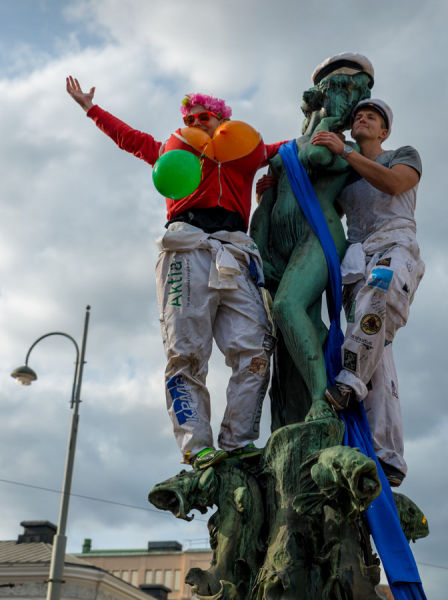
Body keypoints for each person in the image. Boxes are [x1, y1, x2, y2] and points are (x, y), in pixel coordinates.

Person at [66, 77, 286, 469]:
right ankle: (197, 446)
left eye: (208, 116)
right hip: (186, 248)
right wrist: (90, 108)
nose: (200, 120)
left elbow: (291, 150)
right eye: (193, 116)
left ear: (222, 121)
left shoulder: (247, 152)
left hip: (235, 251)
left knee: (256, 347)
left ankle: (238, 442)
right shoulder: (172, 151)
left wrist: (330, 139)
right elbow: (130, 138)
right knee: (185, 352)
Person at [311, 98, 425, 486]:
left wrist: (345, 150)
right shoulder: (345, 171)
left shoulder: (402, 155)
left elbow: (393, 184)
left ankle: (349, 382)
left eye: (371, 116)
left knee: (382, 292)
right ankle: (388, 455)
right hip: (357, 260)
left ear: (384, 131)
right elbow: (318, 202)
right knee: (379, 360)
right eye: (358, 115)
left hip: (395, 247)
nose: (362, 118)